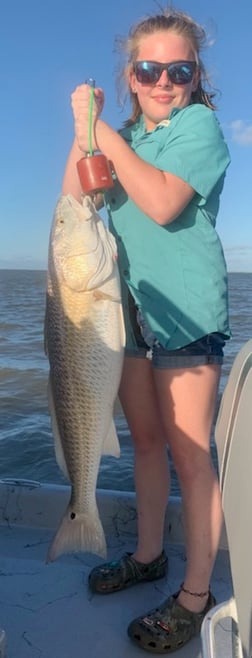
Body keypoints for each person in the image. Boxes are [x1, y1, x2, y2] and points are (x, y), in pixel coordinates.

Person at [62, 5, 231, 653]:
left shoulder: (202, 128)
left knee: (191, 454)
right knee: (148, 444)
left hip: (189, 311)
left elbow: (161, 205)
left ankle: (195, 593)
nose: (164, 81)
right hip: (125, 309)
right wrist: (82, 129)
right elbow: (75, 197)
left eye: (178, 69)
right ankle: (151, 554)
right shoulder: (123, 139)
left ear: (195, 76)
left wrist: (100, 128)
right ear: (131, 77)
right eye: (149, 69)